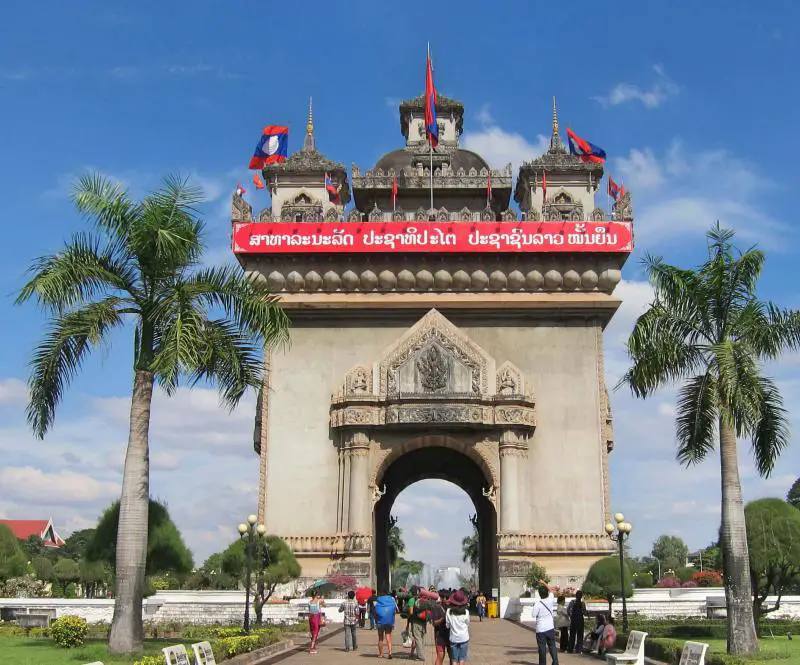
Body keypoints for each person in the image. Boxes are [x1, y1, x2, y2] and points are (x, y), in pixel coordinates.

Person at [532, 584, 558, 665]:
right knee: (552, 646)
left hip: (541, 629)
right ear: (547, 592)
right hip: (550, 627)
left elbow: (533, 615)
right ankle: (555, 662)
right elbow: (550, 591)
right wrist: (545, 584)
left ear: (539, 594)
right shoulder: (551, 598)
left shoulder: (538, 604)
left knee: (542, 648)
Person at [445, 589, 470, 665]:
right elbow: (467, 624)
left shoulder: (449, 611)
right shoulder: (466, 612)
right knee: (462, 660)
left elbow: (447, 625)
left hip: (453, 638)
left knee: (454, 660)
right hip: (464, 637)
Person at [406, 585, 430, 662]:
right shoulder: (424, 600)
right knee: (421, 638)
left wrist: (408, 617)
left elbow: (411, 612)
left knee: (417, 639)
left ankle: (421, 656)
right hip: (423, 621)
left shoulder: (412, 600)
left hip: (416, 622)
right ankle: (420, 653)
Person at [374, 588, 399, 659]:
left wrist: (376, 621)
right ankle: (390, 652)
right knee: (388, 636)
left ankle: (381, 654)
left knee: (380, 638)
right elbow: (394, 612)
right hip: (389, 622)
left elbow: (375, 612)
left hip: (380, 622)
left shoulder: (378, 600)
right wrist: (393, 622)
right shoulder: (391, 600)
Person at [430, 589, 452, 665]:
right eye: (447, 598)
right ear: (442, 598)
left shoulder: (451, 608)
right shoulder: (436, 608)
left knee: (452, 657)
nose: (448, 600)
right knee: (440, 655)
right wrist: (443, 618)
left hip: (450, 636)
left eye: (449, 597)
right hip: (440, 635)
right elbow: (434, 623)